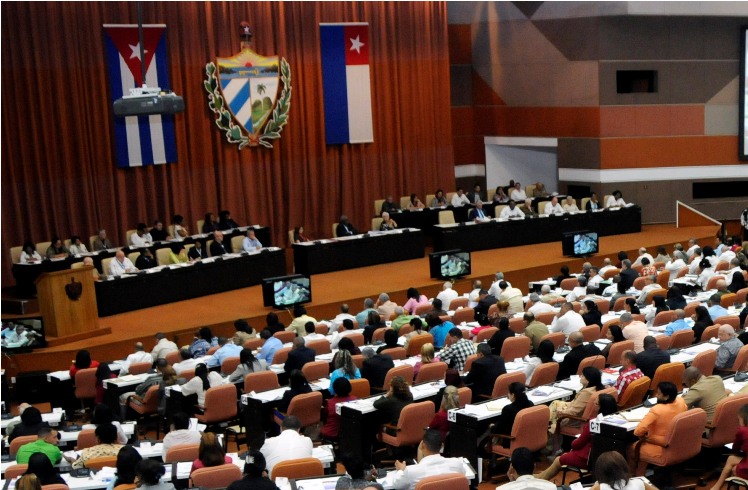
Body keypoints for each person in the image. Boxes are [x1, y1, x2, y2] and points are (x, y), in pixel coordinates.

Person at [536, 394, 619, 481]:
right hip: (601, 458)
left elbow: (577, 444)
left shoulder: (594, 423)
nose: (594, 403)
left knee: (559, 459)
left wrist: (573, 442)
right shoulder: (614, 421)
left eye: (596, 403)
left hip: (586, 458)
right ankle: (541, 476)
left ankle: (540, 479)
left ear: (601, 407)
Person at [633, 381, 688, 475]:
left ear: (666, 397)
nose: (656, 396)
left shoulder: (657, 409)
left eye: (659, 394)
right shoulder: (681, 402)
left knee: (631, 448)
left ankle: (637, 477)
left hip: (662, 447)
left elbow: (638, 432)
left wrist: (646, 437)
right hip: (680, 444)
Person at [549, 367, 606, 453]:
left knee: (552, 416)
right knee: (555, 403)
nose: (580, 377)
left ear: (588, 380)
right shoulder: (599, 388)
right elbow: (576, 404)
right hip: (584, 416)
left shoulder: (586, 392)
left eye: (582, 375)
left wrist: (560, 411)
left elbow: (574, 411)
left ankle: (552, 445)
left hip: (575, 420)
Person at [390, 429, 465, 490]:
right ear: (442, 446)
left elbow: (397, 485)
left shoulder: (410, 472)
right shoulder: (457, 463)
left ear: (422, 445)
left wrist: (401, 470)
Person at [710, 404, 748, 490]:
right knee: (732, 460)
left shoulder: (743, 431)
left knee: (732, 464)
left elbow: (735, 449)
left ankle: (716, 487)